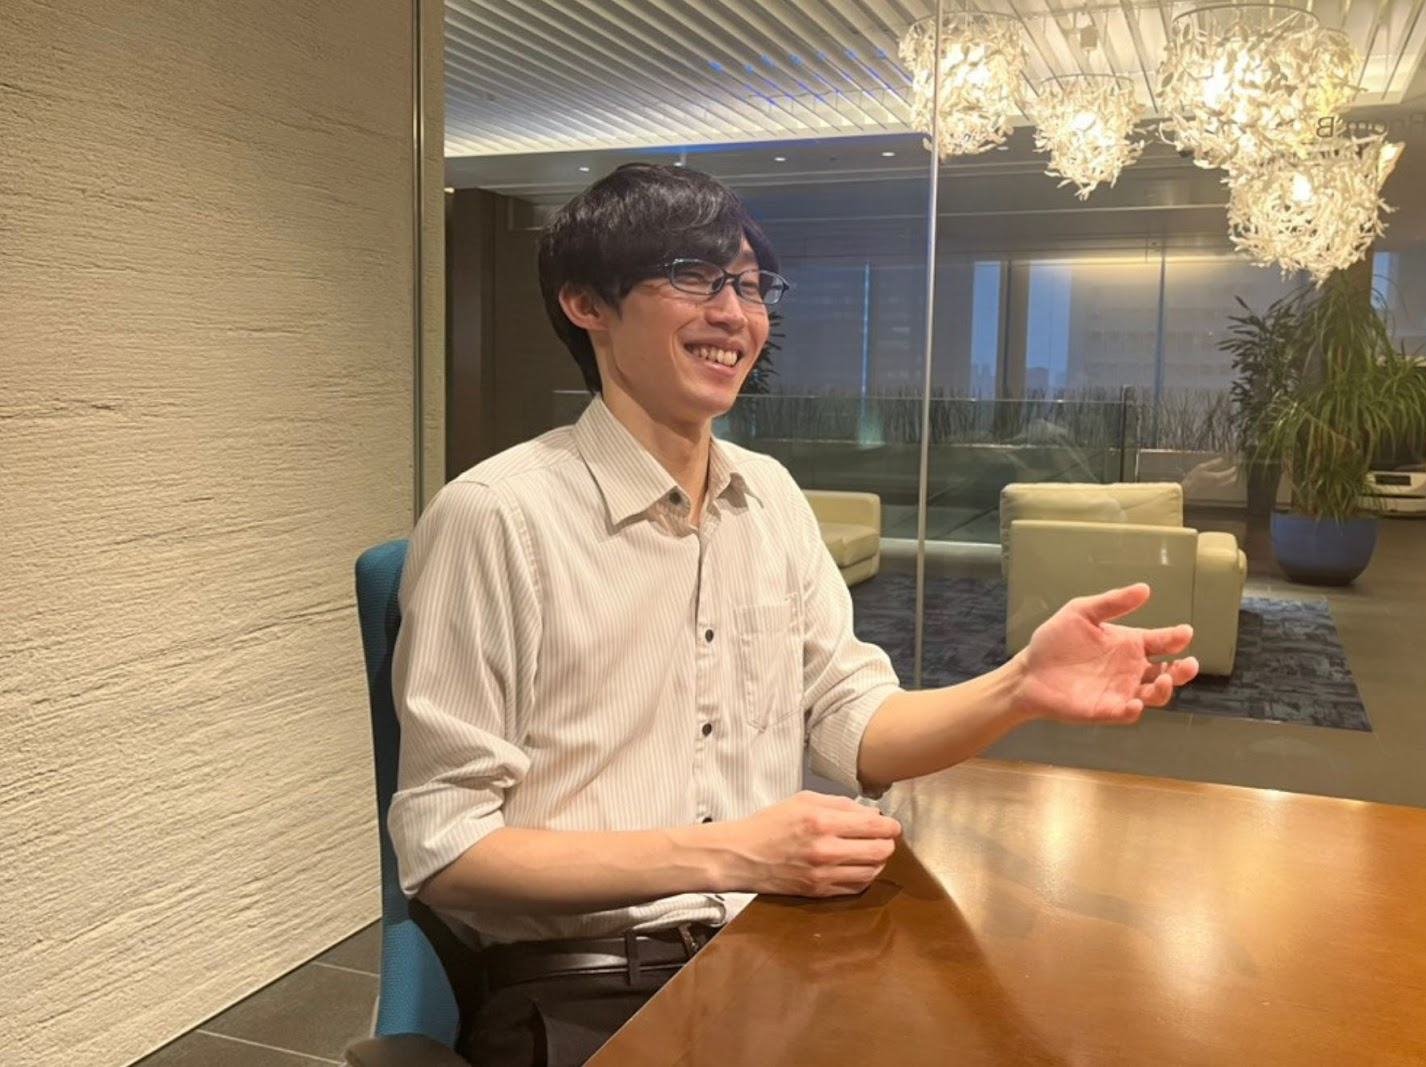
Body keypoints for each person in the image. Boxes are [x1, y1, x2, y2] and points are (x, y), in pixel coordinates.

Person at [390, 162, 1200, 1067]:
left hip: (778, 949)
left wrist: (1018, 686)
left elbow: (855, 723)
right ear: (586, 303)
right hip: (588, 985)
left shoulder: (769, 496)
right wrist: (733, 854)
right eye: (694, 276)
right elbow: (449, 849)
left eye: (749, 286)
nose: (734, 313)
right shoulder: (497, 517)